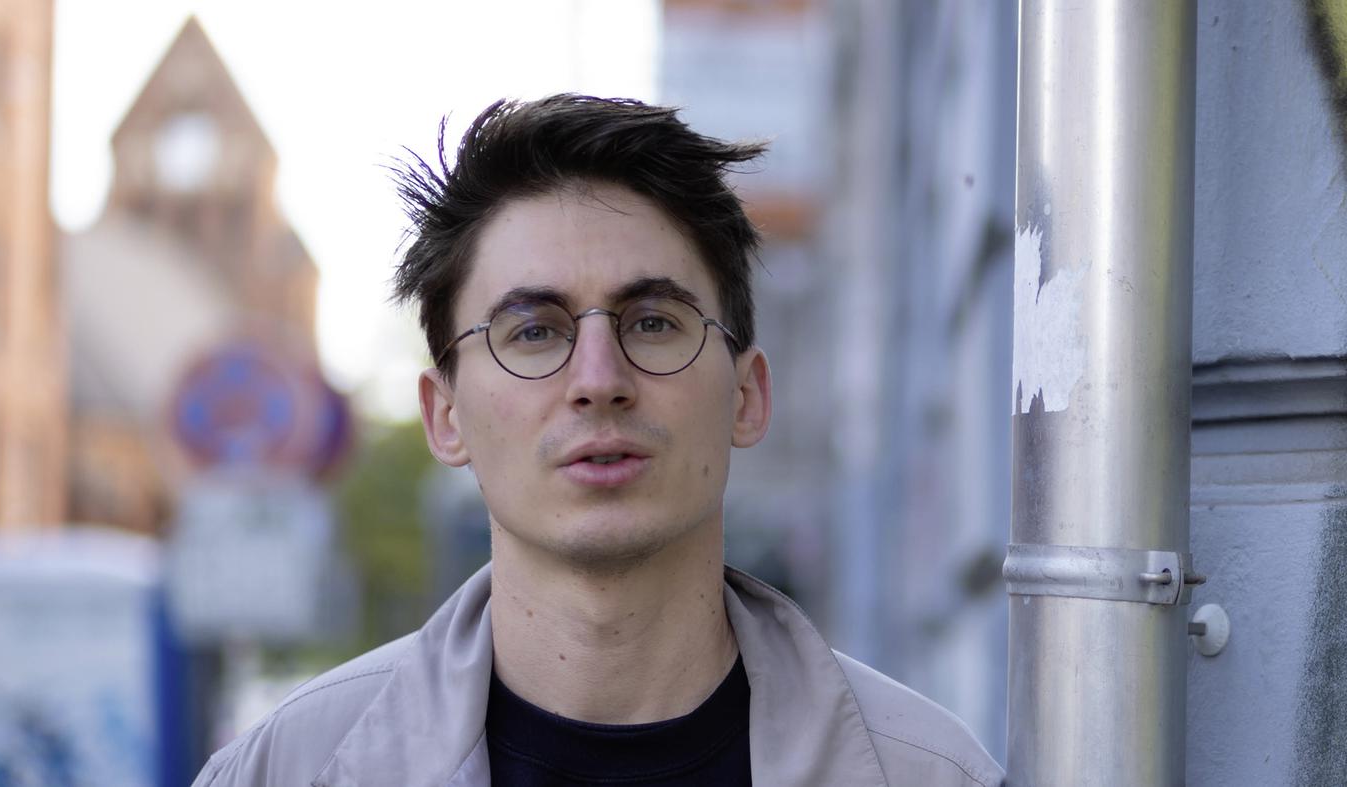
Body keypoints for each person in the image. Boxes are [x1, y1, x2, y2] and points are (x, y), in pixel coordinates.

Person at [194, 94, 1003, 787]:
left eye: (652, 322)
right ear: (446, 415)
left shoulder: (930, 774)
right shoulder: (283, 769)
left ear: (748, 396)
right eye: (534, 330)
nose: (597, 378)